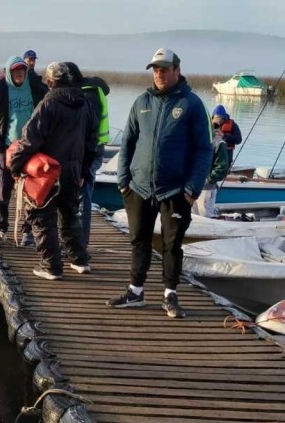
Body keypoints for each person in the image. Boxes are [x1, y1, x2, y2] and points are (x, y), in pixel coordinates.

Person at [108, 48, 212, 318]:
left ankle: (170, 294)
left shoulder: (191, 104)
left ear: (177, 70)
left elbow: (204, 150)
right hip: (139, 187)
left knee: (171, 244)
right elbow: (127, 142)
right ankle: (136, 292)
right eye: (155, 69)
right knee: (138, 240)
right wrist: (123, 182)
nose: (159, 74)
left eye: (164, 69)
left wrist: (192, 190)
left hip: (176, 190)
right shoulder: (142, 102)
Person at [8, 62, 96, 281]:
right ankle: (79, 260)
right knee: (69, 213)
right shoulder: (85, 104)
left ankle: (51, 266)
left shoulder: (49, 103)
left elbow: (30, 138)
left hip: (48, 171)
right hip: (74, 169)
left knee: (41, 216)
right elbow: (91, 141)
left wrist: (15, 165)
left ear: (51, 81)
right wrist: (84, 169)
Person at [0, 56, 47, 246]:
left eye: (23, 70)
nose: (20, 73)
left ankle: (28, 232)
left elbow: (49, 117)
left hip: (32, 149)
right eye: (16, 70)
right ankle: (0, 228)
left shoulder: (37, 89)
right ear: (8, 71)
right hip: (7, 149)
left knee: (31, 193)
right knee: (3, 191)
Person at [79, 70, 111, 246]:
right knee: (83, 198)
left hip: (89, 152)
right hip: (95, 150)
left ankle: (80, 245)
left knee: (83, 199)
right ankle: (77, 243)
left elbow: (89, 131)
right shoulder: (94, 92)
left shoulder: (88, 95)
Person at [194, 124, 231, 218]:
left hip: (206, 189)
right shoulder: (195, 139)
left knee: (206, 217)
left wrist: (209, 180)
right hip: (192, 187)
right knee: (191, 218)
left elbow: (222, 167)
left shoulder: (219, 143)